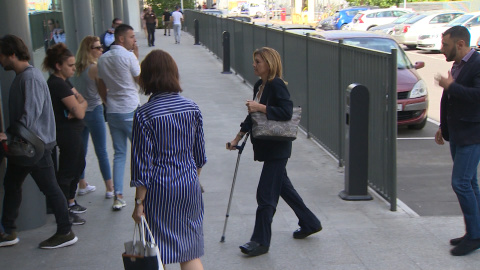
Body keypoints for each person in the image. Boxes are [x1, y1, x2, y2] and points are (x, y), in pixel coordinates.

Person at [227, 47, 322, 256]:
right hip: (268, 147)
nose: (254, 65)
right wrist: (237, 138)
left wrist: (260, 107)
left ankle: (261, 242)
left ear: (269, 64)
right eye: (254, 61)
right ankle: (310, 222)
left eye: (258, 61)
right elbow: (252, 117)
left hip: (278, 148)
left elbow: (286, 111)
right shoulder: (260, 85)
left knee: (265, 194)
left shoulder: (276, 84)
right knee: (283, 188)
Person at [131, 49, 207, 270]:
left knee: (158, 251)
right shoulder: (192, 108)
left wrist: (138, 203)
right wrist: (191, 177)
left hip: (159, 190)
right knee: (189, 251)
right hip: (189, 185)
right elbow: (199, 156)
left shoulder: (144, 114)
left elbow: (142, 166)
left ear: (147, 78)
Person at [0, 34, 77, 249]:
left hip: (34, 145)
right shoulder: (25, 77)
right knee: (12, 184)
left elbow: (30, 115)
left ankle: (65, 231)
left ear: (12, 54)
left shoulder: (30, 78)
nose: (0, 60)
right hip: (27, 145)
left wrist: (8, 135)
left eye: (1, 55)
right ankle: (8, 230)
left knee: (49, 188)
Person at [435, 25, 480, 256]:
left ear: (460, 44)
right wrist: (443, 125)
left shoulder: (477, 63)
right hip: (458, 132)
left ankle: (474, 236)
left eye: (445, 45)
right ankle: (475, 230)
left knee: (461, 183)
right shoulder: (458, 64)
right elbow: (449, 98)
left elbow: (476, 96)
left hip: (473, 134)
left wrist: (452, 85)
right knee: (470, 183)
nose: (441, 49)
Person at [43, 43, 88, 226]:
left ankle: (70, 202)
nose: (73, 68)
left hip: (74, 132)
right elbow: (80, 112)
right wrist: (78, 107)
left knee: (78, 165)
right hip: (66, 133)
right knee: (68, 171)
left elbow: (83, 102)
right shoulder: (57, 84)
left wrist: (79, 105)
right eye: (70, 65)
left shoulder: (65, 82)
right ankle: (64, 210)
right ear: (58, 66)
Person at [97, 24, 140, 211]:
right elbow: (140, 78)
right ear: (121, 38)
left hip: (113, 110)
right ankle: (146, 190)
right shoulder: (129, 56)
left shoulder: (103, 58)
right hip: (130, 108)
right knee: (141, 150)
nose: (134, 40)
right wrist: (136, 56)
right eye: (131, 37)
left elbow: (100, 82)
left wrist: (106, 100)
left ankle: (118, 195)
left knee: (120, 153)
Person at [75, 36, 114, 198]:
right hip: (95, 111)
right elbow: (104, 92)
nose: (101, 50)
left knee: (81, 150)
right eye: (97, 48)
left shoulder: (77, 69)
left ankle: (82, 183)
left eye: (100, 47)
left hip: (80, 113)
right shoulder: (94, 68)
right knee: (101, 151)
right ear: (88, 50)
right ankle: (110, 188)